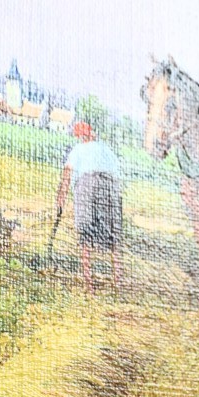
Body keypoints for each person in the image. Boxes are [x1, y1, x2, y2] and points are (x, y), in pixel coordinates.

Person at [56, 122, 123, 294]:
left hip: (87, 184)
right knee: (114, 238)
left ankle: (89, 286)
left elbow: (67, 174)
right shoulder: (106, 150)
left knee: (86, 236)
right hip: (111, 187)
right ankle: (118, 283)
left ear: (80, 137)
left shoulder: (77, 149)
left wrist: (61, 199)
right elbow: (117, 174)